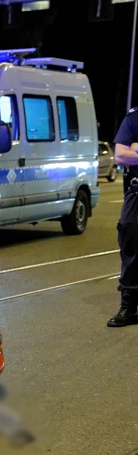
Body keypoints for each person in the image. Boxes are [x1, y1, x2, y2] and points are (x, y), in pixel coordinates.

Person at [108, 106, 138, 326]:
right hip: (137, 193)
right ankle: (128, 306)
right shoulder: (135, 117)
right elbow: (120, 155)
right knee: (130, 244)